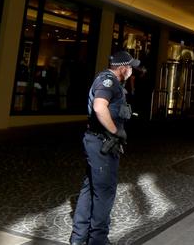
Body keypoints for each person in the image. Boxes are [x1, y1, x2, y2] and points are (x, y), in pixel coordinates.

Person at [70, 51, 139, 245]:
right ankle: (98, 240)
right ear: (122, 67)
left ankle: (79, 237)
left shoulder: (108, 80)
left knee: (90, 188)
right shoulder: (108, 82)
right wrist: (116, 131)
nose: (132, 70)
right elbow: (100, 107)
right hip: (102, 144)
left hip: (95, 142)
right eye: (130, 66)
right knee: (104, 193)